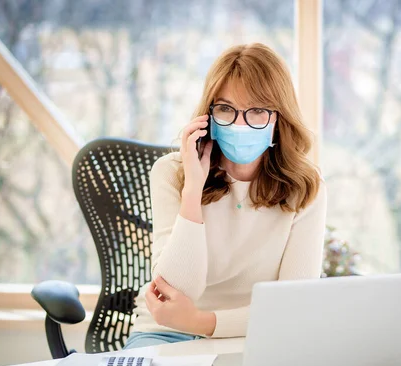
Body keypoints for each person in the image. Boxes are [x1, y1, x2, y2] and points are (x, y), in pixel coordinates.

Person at [123, 43, 327, 349]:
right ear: (209, 115)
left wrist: (199, 322)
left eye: (257, 110)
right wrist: (193, 188)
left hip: (255, 335)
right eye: (226, 109)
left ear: (278, 119)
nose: (240, 124)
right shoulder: (170, 173)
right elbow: (179, 289)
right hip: (165, 332)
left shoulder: (305, 188)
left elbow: (292, 308)